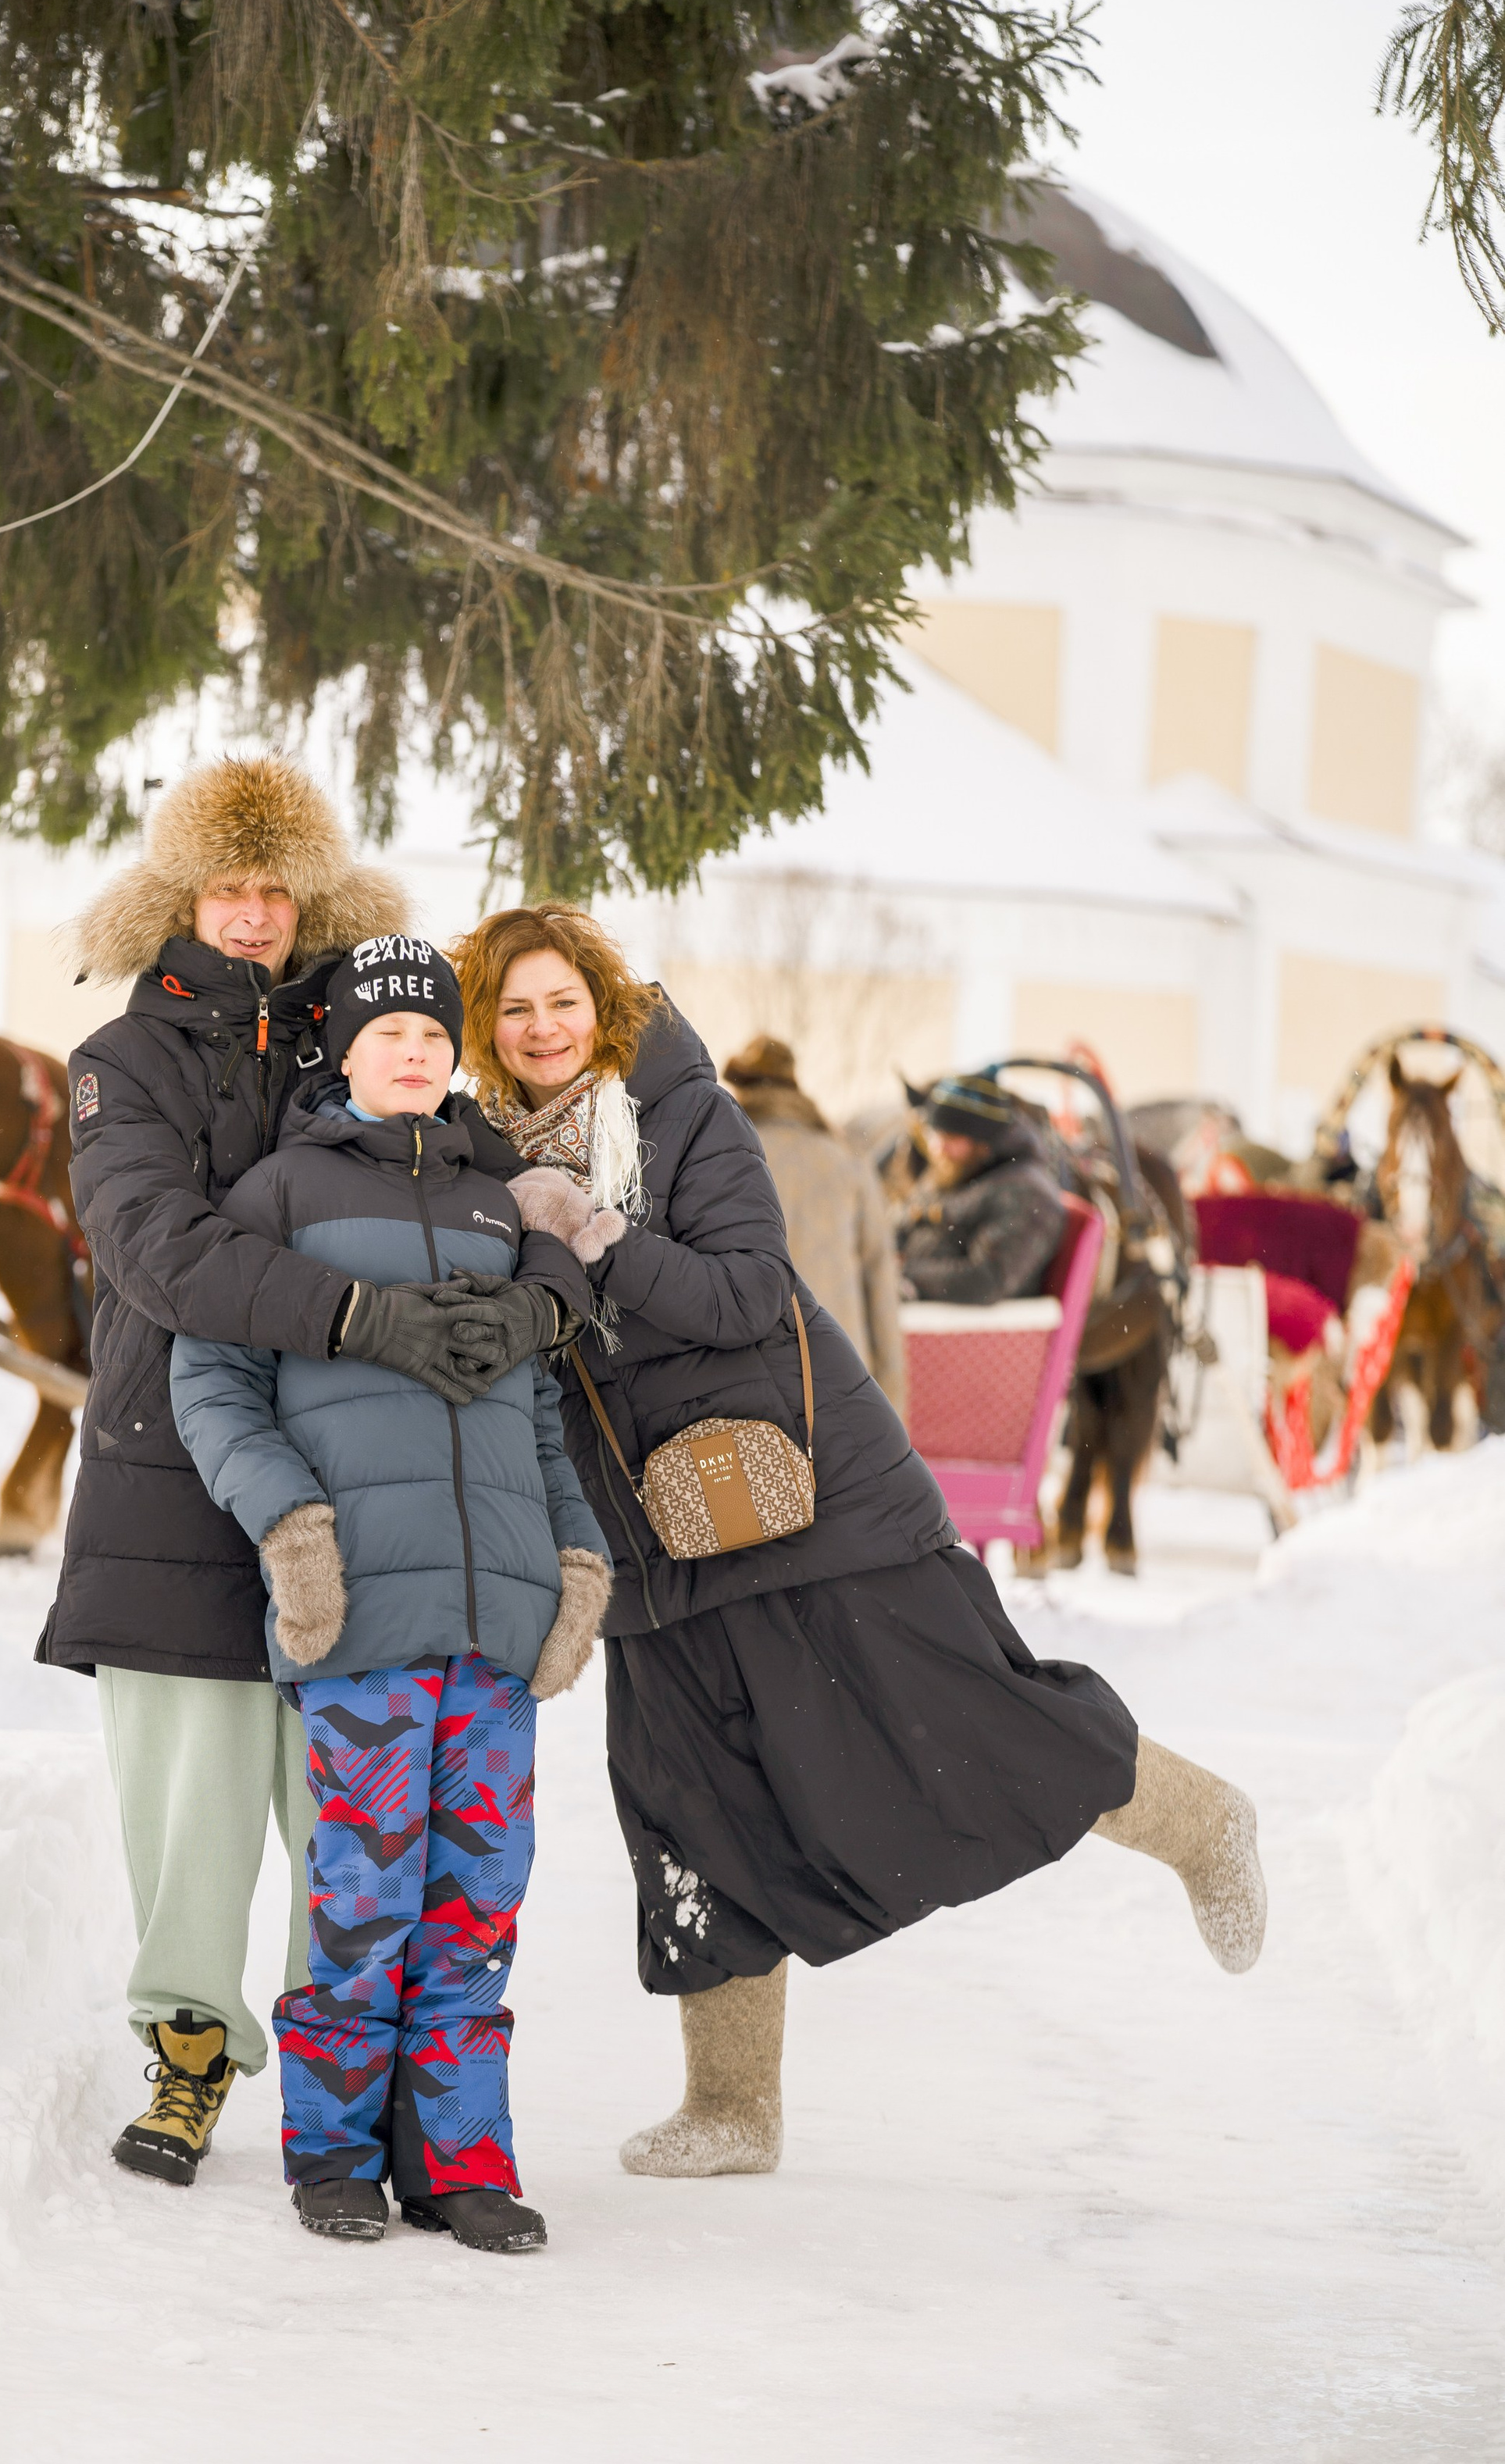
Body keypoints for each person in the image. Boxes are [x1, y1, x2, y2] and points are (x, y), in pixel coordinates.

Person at [451, 906, 1267, 2182]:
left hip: (805, 1489)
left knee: (967, 1721)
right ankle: (733, 2107)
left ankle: (1201, 1822)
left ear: (601, 1005)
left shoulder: (682, 1116)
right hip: (648, 1528)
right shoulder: (475, 1163)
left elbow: (744, 1292)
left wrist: (595, 1238)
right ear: (483, 1029)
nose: (542, 1027)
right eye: (514, 1009)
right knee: (691, 1798)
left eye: (563, 1000)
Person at [39, 760, 590, 2191]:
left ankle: (348, 2090)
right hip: (175, 1465)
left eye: (276, 889)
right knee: (194, 1802)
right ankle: (188, 2052)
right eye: (227, 886)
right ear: (181, 894)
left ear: (309, 900)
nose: (251, 913)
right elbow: (159, 1251)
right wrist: (357, 1315)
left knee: (348, 1810)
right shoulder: (121, 1062)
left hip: (354, 1479)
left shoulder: (347, 1031)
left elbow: (476, 1182)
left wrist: (542, 1291)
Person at [169, 937, 612, 2253]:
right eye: (388, 1034)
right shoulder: (279, 1193)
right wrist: (292, 1529)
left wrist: (576, 1559)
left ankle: (461, 2165)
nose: (414, 1053)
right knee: (362, 1902)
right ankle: (333, 2156)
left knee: (478, 1908)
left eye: (432, 1035)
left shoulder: (497, 1207)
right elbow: (213, 1383)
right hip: (362, 1616)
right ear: (345, 1052)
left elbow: (538, 1416)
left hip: (498, 1624)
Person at [722, 1034, 908, 1416]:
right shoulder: (844, 1158)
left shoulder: (721, 1157)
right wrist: (892, 1403)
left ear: (742, 1088)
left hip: (747, 1370)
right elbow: (880, 1281)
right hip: (840, 1366)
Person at [896, 1075, 1069, 1306]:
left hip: (972, 1321)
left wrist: (904, 1272)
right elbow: (911, 1219)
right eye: (935, 1134)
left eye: (951, 1137)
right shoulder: (958, 1170)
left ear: (983, 1143)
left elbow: (986, 1282)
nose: (938, 1148)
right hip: (922, 1301)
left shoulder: (1026, 1194)